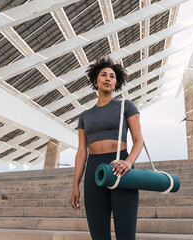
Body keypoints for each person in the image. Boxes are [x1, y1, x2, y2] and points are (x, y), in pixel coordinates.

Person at [71, 57, 144, 240]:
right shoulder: (85, 116)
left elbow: (138, 140)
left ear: (116, 83)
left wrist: (128, 162)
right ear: (95, 81)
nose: (108, 78)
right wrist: (75, 186)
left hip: (121, 168)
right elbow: (81, 151)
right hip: (94, 171)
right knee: (98, 235)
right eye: (103, 75)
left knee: (126, 235)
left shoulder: (125, 106)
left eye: (112, 76)